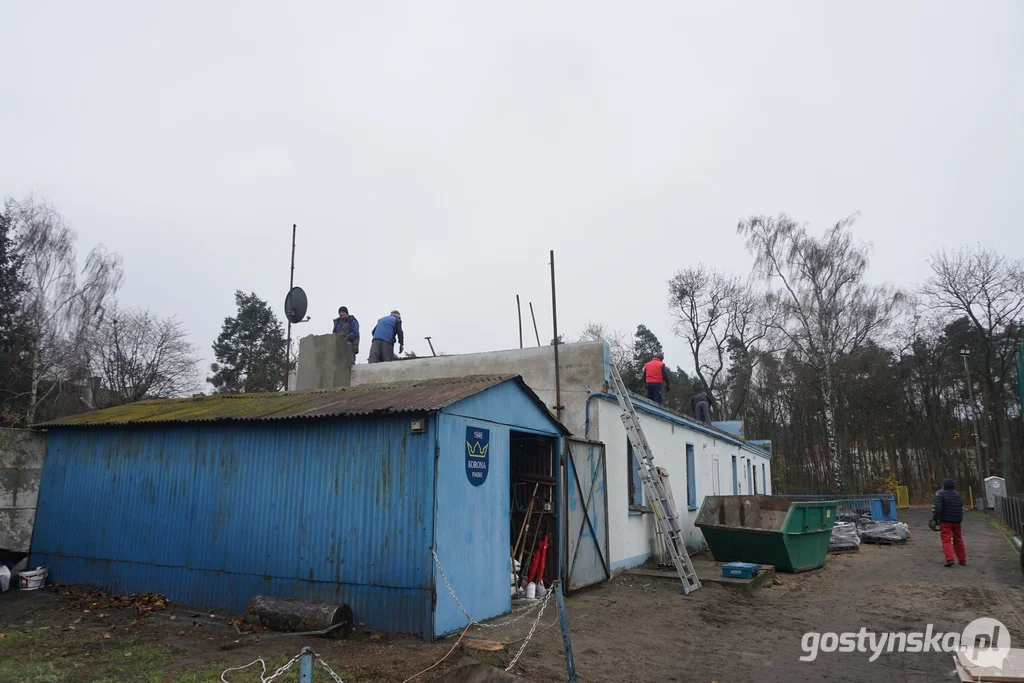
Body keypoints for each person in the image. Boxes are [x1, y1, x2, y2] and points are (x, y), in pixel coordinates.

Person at [932, 478, 967, 567]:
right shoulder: (957, 495)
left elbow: (938, 508)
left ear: (944, 485)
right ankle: (962, 559)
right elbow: (961, 507)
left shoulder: (940, 494)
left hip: (945, 521)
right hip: (957, 520)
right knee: (958, 539)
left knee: (946, 539)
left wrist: (934, 519)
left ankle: (949, 558)